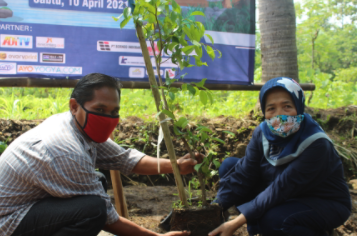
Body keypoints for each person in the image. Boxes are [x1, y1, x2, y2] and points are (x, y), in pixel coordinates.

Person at [0, 73, 203, 236]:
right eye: (100, 109)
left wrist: (175, 165)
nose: (108, 118)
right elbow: (106, 216)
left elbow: (124, 158)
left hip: (31, 205)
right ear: (74, 106)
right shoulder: (65, 150)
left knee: (96, 186)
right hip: (9, 221)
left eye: (114, 111)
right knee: (93, 209)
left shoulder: (76, 125)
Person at [209, 77, 351, 236]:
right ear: (264, 110)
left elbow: (282, 188)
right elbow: (244, 175)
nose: (279, 115)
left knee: (274, 221)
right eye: (271, 108)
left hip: (322, 201)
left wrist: (236, 223)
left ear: (299, 106)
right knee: (230, 167)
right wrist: (214, 209)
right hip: (285, 194)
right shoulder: (262, 132)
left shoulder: (316, 143)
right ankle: (261, 228)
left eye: (287, 106)